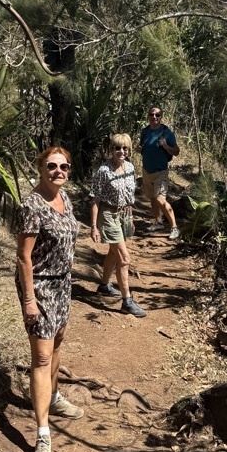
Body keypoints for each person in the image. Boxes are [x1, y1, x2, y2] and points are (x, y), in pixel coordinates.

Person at [14, 146, 83, 452]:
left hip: (62, 284)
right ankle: (42, 435)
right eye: (53, 166)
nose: (59, 171)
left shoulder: (64, 198)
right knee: (41, 357)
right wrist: (29, 300)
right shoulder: (32, 205)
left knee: (57, 343)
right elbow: (23, 257)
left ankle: (53, 398)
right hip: (39, 285)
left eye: (64, 166)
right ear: (41, 167)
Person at [89, 134, 147, 318]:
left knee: (114, 253)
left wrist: (130, 217)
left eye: (125, 148)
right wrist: (93, 226)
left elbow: (130, 195)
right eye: (117, 148)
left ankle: (105, 285)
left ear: (129, 150)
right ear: (111, 149)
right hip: (108, 214)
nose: (121, 152)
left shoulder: (130, 167)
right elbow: (95, 199)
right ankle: (127, 302)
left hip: (123, 214)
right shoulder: (104, 170)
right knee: (124, 258)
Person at [137, 106, 181, 240]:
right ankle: (159, 222)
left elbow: (177, 151)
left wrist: (166, 146)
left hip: (161, 171)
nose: (154, 117)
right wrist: (139, 149)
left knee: (160, 199)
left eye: (157, 115)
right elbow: (142, 147)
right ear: (148, 116)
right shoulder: (145, 131)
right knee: (152, 198)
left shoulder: (166, 132)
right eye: (152, 114)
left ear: (161, 117)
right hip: (146, 170)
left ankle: (174, 227)